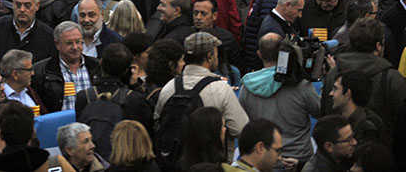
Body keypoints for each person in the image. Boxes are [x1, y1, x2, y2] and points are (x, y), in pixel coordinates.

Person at [238, 33, 319, 167]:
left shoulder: (247, 86)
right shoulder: (301, 85)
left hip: (263, 159)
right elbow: (321, 112)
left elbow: (242, 122)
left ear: (259, 54)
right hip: (298, 158)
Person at [155, 32, 249, 140]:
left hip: (174, 154)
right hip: (211, 155)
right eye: (216, 55)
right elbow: (240, 129)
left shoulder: (169, 87)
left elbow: (158, 123)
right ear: (209, 56)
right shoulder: (221, 89)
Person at [31, 21, 99, 114]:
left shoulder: (96, 66)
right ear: (57, 44)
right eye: (69, 43)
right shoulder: (41, 71)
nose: (75, 47)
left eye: (78, 42)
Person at [329, 68, 387, 146]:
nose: (331, 93)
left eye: (335, 89)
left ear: (347, 94)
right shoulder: (337, 119)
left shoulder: (368, 128)